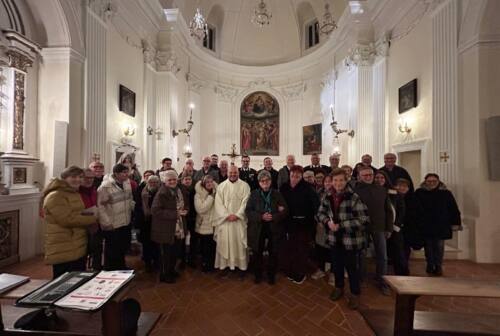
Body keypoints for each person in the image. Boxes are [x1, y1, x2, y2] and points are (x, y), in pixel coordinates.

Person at [317, 168, 369, 310]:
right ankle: (339, 288)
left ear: (346, 181)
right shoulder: (327, 195)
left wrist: (341, 225)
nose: (338, 183)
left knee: (352, 268)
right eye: (335, 180)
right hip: (334, 238)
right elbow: (320, 213)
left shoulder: (353, 197)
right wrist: (327, 222)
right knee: (337, 265)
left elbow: (363, 219)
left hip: (350, 239)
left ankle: (355, 293)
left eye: (341, 180)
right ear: (331, 182)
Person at [42, 166, 97, 278]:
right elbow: (67, 219)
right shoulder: (56, 195)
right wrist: (94, 217)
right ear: (64, 178)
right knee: (62, 283)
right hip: (63, 245)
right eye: (73, 176)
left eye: (80, 177)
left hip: (76, 243)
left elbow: (75, 213)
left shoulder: (73, 193)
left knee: (77, 280)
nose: (78, 179)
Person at [354, 165, 394, 295]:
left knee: (382, 256)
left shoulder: (382, 190)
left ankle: (382, 282)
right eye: (365, 175)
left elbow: (388, 210)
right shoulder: (354, 191)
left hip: (380, 227)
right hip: (361, 227)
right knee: (361, 255)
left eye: (370, 175)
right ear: (359, 176)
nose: (368, 177)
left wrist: (389, 228)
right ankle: (360, 279)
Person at [246, 170, 288, 284]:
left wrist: (274, 216)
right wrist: (261, 216)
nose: (265, 182)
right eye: (262, 180)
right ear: (259, 182)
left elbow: (285, 211)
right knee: (257, 252)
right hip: (258, 228)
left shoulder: (277, 194)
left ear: (270, 181)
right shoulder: (254, 194)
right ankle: (258, 275)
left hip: (273, 227)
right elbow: (248, 211)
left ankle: (271, 275)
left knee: (273, 252)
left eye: (267, 180)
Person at [280, 165, 320, 284]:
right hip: (288, 223)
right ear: (289, 175)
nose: (294, 178)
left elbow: (315, 205)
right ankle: (291, 270)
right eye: (292, 175)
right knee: (290, 248)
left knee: (301, 249)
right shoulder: (284, 187)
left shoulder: (308, 188)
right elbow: (279, 201)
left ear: (301, 176)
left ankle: (300, 274)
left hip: (304, 224)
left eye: (297, 176)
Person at [415, 173, 461, 276]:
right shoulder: (419, 192)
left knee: (439, 246)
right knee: (428, 247)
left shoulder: (446, 193)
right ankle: (430, 264)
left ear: (438, 182)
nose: (431, 183)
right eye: (429, 181)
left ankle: (438, 265)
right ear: (425, 182)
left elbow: (453, 208)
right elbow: (415, 208)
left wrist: (456, 223)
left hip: (441, 224)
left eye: (434, 181)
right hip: (425, 224)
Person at [151, 170, 189, 283]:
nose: (172, 181)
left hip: (179, 226)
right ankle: (164, 275)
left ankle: (171, 270)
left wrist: (186, 210)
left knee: (174, 252)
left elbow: (185, 204)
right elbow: (155, 211)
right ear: (165, 181)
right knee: (166, 253)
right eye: (170, 180)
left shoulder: (179, 190)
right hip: (166, 228)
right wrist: (175, 214)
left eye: (174, 179)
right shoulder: (161, 193)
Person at [213, 165, 251, 276]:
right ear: (227, 172)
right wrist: (226, 215)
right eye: (231, 172)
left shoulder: (245, 186)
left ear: (238, 173)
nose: (233, 174)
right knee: (224, 243)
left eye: (235, 172)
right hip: (225, 221)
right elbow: (218, 203)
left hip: (239, 221)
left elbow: (246, 202)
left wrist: (238, 215)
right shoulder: (221, 186)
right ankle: (225, 266)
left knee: (239, 244)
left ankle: (241, 267)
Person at [97, 164, 134, 271]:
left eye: (127, 172)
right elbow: (101, 206)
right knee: (112, 249)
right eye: (124, 172)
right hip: (112, 223)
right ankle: (111, 269)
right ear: (116, 174)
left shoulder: (127, 183)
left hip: (125, 220)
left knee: (122, 247)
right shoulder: (105, 187)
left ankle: (121, 266)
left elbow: (129, 198)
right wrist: (106, 223)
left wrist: (132, 207)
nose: (127, 174)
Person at [374, 170, 409, 276]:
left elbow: (401, 210)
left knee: (398, 252)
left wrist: (396, 226)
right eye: (377, 177)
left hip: (394, 227)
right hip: (379, 227)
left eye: (382, 178)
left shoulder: (394, 192)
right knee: (383, 254)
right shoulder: (372, 191)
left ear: (386, 179)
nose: (379, 180)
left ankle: (403, 275)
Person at [396, 178, 424, 270]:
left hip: (409, 227)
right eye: (399, 186)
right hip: (396, 227)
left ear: (408, 188)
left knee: (406, 249)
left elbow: (418, 213)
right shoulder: (393, 197)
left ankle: (404, 268)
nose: (402, 188)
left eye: (404, 186)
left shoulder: (413, 198)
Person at [79, 168, 102, 271]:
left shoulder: (94, 190)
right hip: (80, 227)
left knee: (97, 249)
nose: (89, 180)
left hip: (94, 225)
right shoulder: (76, 192)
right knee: (82, 253)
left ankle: (96, 271)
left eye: (91, 178)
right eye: (86, 178)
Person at [194, 175, 218, 273]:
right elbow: (201, 209)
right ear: (203, 184)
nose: (209, 184)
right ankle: (205, 265)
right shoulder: (198, 194)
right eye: (207, 182)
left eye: (211, 182)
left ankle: (212, 265)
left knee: (213, 246)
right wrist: (211, 198)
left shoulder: (217, 192)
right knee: (205, 247)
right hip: (204, 224)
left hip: (215, 224)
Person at [140, 175, 160, 272]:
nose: (153, 184)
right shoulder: (143, 192)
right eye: (151, 182)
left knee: (156, 243)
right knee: (146, 244)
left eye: (155, 182)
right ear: (147, 183)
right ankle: (147, 263)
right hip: (145, 222)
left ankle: (157, 262)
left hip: (157, 221)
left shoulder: (160, 192)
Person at [178, 174, 197, 268]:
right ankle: (182, 259)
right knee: (182, 239)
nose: (187, 181)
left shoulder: (194, 190)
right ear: (182, 181)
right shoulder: (179, 191)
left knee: (193, 239)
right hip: (183, 218)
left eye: (189, 179)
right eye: (186, 179)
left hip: (193, 217)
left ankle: (191, 259)